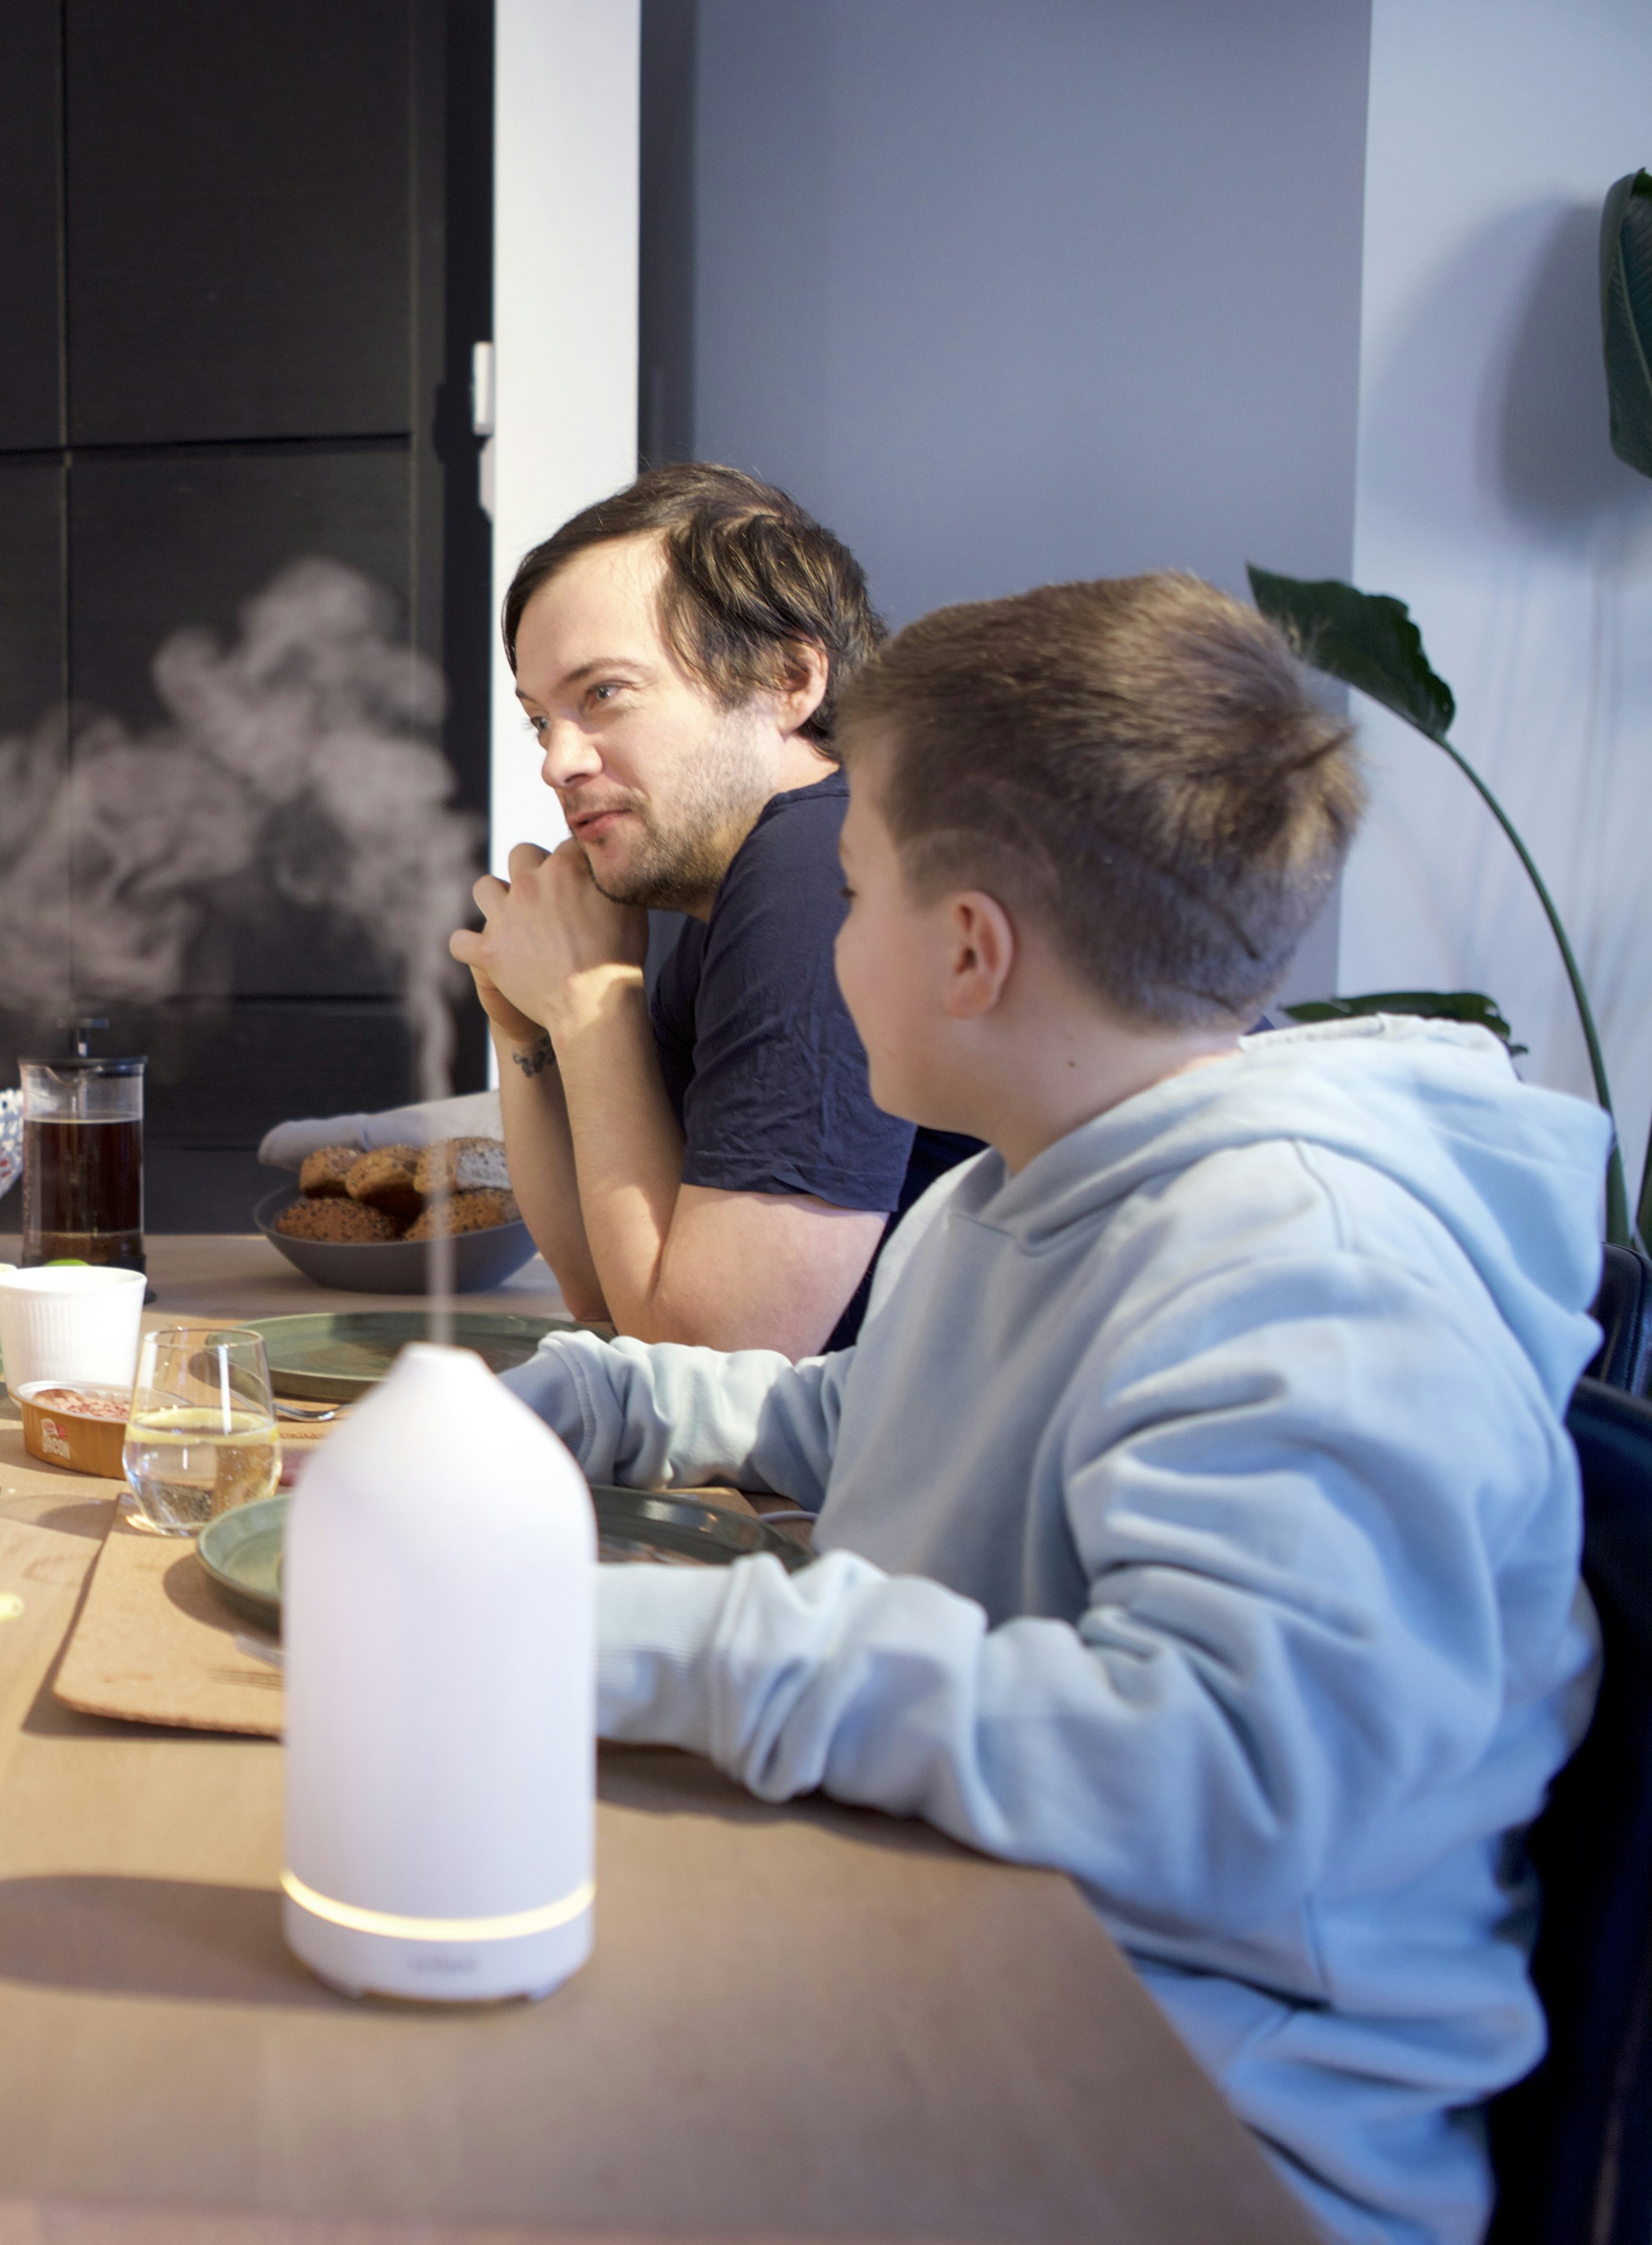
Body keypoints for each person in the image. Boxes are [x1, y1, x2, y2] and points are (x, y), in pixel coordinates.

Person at [509, 572, 1601, 2245]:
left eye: (849, 894)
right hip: (964, 1979)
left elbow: (1216, 1775)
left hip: (1196, 2136)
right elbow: (875, 1426)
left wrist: (644, 1643)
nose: (823, 941)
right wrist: (600, 1394)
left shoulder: (1313, 1276)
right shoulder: (1012, 1192)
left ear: (969, 950)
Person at [446, 464, 974, 1355]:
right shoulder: (739, 892)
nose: (557, 763)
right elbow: (600, 1285)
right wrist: (525, 1021)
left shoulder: (822, 869)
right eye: (541, 719)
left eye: (603, 694)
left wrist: (589, 1004)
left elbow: (715, 1357)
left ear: (789, 677)